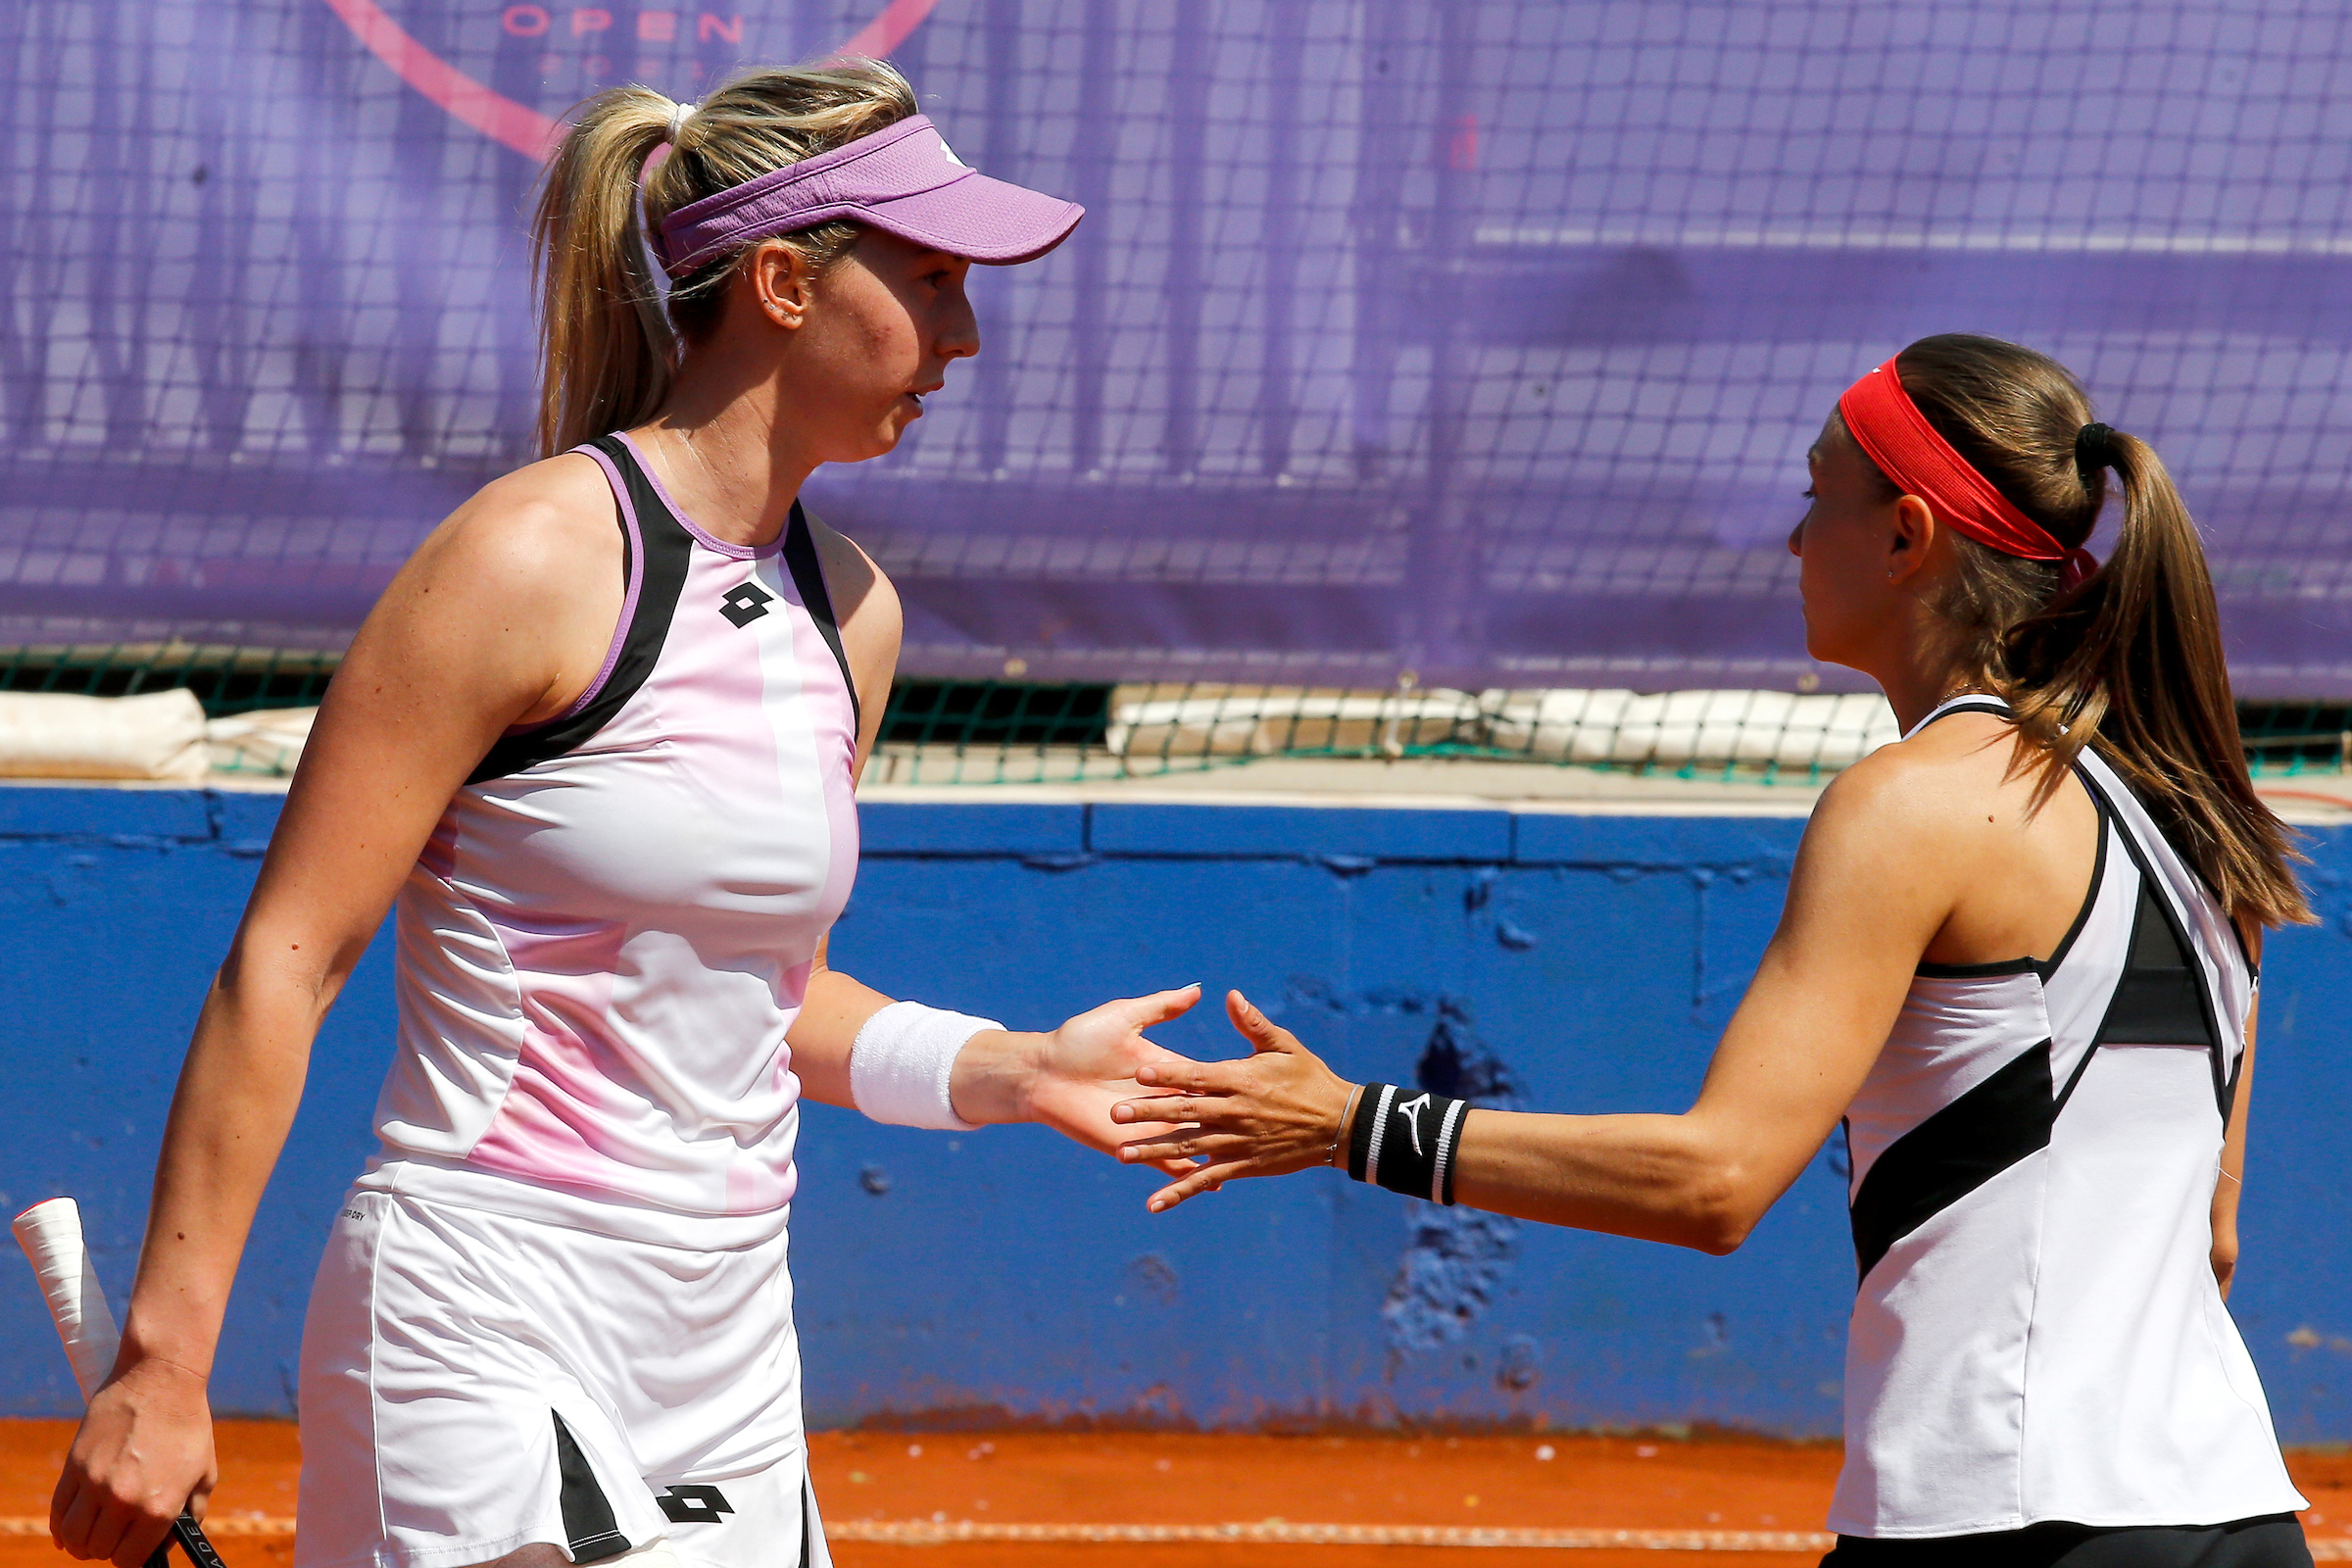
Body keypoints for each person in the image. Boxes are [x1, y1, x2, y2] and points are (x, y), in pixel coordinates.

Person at [50, 61, 1196, 1568]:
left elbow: (763, 1002)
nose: (966, 334)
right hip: (487, 1306)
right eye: (932, 279)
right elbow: (291, 957)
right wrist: (163, 1360)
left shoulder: (850, 613)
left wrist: (1011, 1067)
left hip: (729, 1348)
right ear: (784, 282)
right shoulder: (526, 558)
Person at [1115, 334, 2317, 1565]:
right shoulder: (2196, 816)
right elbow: (2209, 1241)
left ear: (1908, 536)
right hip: (2234, 1513)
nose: (1796, 541)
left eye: (1817, 497)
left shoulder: (1913, 804)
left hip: (2009, 1524)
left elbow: (1718, 1179)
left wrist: (1351, 1126)